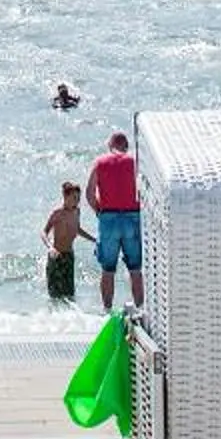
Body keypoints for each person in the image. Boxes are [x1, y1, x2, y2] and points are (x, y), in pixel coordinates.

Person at [87, 131, 143, 311]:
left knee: (108, 269)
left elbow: (89, 193)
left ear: (110, 145)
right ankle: (140, 309)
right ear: (126, 146)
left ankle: (107, 311)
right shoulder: (135, 162)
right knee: (135, 269)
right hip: (132, 217)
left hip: (108, 218)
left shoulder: (100, 162)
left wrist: (99, 211)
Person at [40, 182, 92, 306]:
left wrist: (93, 239)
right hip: (56, 256)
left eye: (79, 198)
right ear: (65, 197)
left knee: (69, 295)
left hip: (69, 257)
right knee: (55, 297)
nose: (77, 201)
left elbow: (77, 229)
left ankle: (70, 320)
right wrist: (50, 248)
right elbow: (43, 232)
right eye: (74, 198)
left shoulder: (77, 212)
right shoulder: (57, 213)